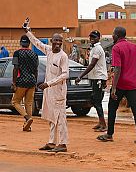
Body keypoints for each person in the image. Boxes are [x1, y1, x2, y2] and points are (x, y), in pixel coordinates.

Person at [23, 18, 69, 153]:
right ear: (51, 41)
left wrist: (48, 84)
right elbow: (36, 43)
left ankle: (63, 143)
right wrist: (28, 32)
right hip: (49, 92)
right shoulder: (48, 51)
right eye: (56, 40)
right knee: (51, 117)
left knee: (60, 118)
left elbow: (65, 74)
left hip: (58, 92)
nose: (58, 43)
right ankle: (51, 142)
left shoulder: (63, 56)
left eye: (60, 41)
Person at [96, 26, 136, 143]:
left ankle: (109, 134)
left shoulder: (116, 48)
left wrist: (113, 88)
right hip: (132, 84)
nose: (112, 36)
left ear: (117, 35)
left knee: (112, 108)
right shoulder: (134, 46)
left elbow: (118, 68)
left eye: (113, 34)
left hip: (120, 83)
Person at [75, 30, 108, 132]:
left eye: (94, 37)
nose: (92, 39)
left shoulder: (97, 49)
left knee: (97, 101)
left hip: (99, 78)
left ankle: (103, 125)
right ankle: (100, 122)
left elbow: (92, 64)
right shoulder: (94, 48)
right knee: (95, 100)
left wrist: (80, 76)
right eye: (91, 37)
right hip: (95, 78)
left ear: (99, 38)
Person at [11, 35, 39, 132]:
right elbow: (36, 70)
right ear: (29, 44)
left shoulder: (16, 53)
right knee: (29, 103)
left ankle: (27, 118)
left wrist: (14, 82)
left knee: (15, 102)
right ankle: (28, 126)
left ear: (20, 43)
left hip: (22, 81)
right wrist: (35, 82)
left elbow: (15, 68)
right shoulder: (34, 55)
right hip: (32, 81)